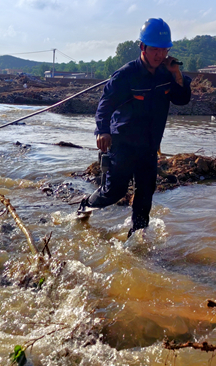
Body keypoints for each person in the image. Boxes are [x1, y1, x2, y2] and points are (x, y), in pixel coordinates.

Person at [78, 18, 192, 237]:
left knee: (145, 195)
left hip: (149, 145)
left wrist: (177, 74)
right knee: (114, 192)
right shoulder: (126, 75)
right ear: (143, 47)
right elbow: (105, 104)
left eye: (164, 50)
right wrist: (102, 130)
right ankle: (85, 206)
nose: (160, 55)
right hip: (123, 144)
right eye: (155, 50)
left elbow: (182, 99)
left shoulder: (166, 74)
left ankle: (137, 240)